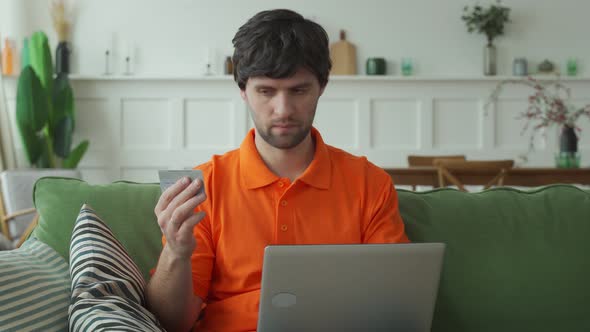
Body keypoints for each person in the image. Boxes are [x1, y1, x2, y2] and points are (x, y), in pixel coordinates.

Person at [146, 8, 409, 332]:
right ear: (243, 90)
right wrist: (176, 252)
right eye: (266, 91)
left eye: (298, 90)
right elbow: (172, 323)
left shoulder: (370, 183)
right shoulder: (205, 186)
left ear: (322, 86)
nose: (283, 110)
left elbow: (394, 306)